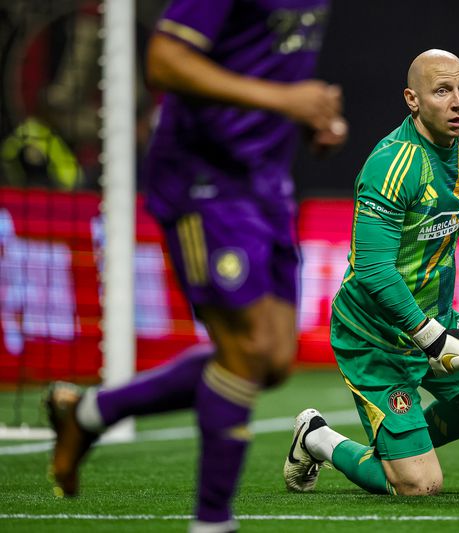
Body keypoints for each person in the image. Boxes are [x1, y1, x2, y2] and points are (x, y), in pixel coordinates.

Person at [45, 0, 347, 530]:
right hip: (202, 176)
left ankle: (89, 413)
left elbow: (266, 61)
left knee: (274, 360)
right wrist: (286, 100)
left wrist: (309, 117)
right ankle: (212, 522)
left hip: (265, 180)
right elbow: (164, 59)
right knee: (246, 347)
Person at [283, 49, 459, 496]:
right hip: (376, 335)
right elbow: (371, 269)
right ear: (412, 99)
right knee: (418, 487)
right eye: (442, 91)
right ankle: (317, 437)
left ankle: (403, 447)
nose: (458, 101)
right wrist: (429, 338)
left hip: (437, 319)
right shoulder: (391, 166)